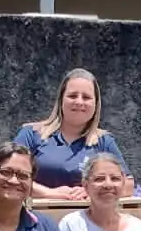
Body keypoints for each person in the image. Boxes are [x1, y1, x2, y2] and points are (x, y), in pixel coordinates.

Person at [13, 68, 134, 200]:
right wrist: (50, 193)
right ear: (61, 100)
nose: (79, 102)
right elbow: (9, 176)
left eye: (86, 97)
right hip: (36, 217)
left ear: (96, 104)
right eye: (72, 96)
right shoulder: (31, 134)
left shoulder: (104, 141)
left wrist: (93, 191)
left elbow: (128, 184)